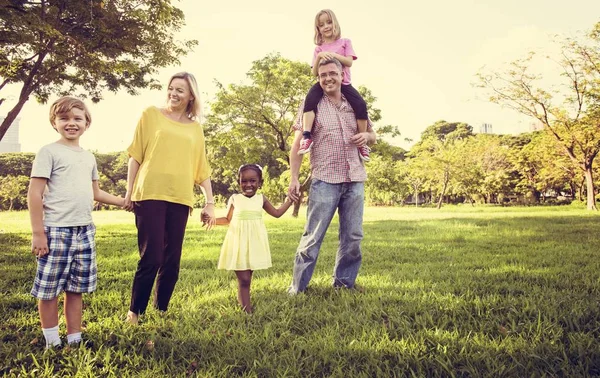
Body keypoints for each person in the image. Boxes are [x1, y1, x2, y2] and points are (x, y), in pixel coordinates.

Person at [28, 96, 125, 349]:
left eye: (77, 118)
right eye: (64, 118)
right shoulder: (48, 152)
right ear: (54, 122)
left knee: (76, 288)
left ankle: (74, 338)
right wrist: (38, 232)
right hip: (56, 230)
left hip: (85, 231)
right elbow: (34, 193)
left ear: (87, 123)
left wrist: (124, 201)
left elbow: (96, 193)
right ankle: (52, 341)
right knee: (48, 290)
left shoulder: (88, 157)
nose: (71, 123)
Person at [123, 72, 216, 325]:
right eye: (171, 89)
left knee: (172, 259)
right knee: (151, 256)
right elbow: (136, 156)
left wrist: (210, 201)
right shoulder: (150, 115)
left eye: (180, 91)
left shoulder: (195, 128)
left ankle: (161, 308)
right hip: (149, 194)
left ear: (191, 96)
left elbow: (201, 168)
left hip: (180, 198)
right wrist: (129, 191)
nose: (174, 94)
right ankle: (135, 312)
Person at [287, 58, 376, 294]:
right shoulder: (312, 104)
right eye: (323, 74)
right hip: (325, 180)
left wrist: (366, 138)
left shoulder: (355, 103)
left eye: (332, 73)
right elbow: (297, 146)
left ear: (341, 75)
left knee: (353, 238)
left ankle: (344, 285)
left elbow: (373, 134)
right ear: (318, 78)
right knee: (312, 238)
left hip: (355, 178)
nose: (328, 78)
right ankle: (297, 288)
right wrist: (294, 178)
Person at [207, 164, 294, 313]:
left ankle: (242, 301)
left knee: (247, 278)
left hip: (254, 243)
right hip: (238, 242)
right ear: (239, 182)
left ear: (260, 183)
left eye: (253, 181)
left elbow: (277, 213)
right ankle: (247, 312)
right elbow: (228, 220)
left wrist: (290, 200)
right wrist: (210, 219)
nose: (248, 185)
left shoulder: (261, 199)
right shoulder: (235, 198)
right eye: (244, 181)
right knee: (244, 279)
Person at [298, 9, 371, 162]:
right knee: (309, 101)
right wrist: (319, 57)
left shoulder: (345, 42)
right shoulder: (318, 49)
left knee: (360, 105)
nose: (326, 26)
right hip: (324, 83)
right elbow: (314, 73)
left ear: (335, 23)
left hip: (343, 83)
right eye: (321, 25)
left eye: (329, 22)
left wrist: (333, 56)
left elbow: (349, 62)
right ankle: (306, 136)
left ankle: (361, 143)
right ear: (318, 29)